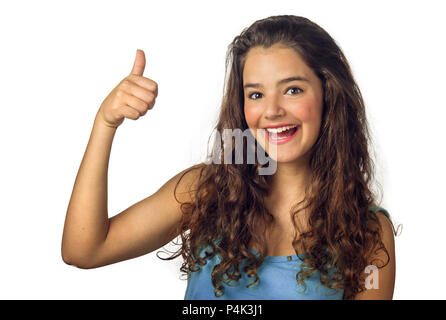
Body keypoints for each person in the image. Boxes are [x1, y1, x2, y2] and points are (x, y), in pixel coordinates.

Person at [62, 15, 398, 300]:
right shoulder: (205, 190)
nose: (272, 111)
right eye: (255, 94)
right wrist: (106, 122)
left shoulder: (367, 231)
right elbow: (85, 249)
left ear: (328, 93)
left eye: (292, 89)